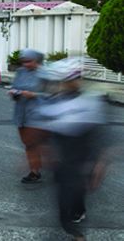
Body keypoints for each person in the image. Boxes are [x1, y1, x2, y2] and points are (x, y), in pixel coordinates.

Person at [39, 58, 107, 241]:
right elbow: (48, 134)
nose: (72, 83)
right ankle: (75, 228)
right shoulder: (54, 102)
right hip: (62, 163)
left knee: (70, 205)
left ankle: (77, 234)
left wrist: (99, 165)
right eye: (67, 80)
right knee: (65, 206)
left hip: (82, 161)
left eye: (75, 78)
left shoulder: (90, 102)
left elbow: (97, 137)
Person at [9, 48, 49, 184]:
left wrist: (34, 95)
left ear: (36, 60)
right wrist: (14, 92)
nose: (25, 65)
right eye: (23, 62)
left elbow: (53, 95)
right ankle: (35, 170)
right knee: (29, 143)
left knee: (38, 143)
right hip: (22, 113)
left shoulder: (45, 74)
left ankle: (39, 170)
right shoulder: (21, 72)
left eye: (29, 61)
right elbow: (15, 86)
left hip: (40, 114)